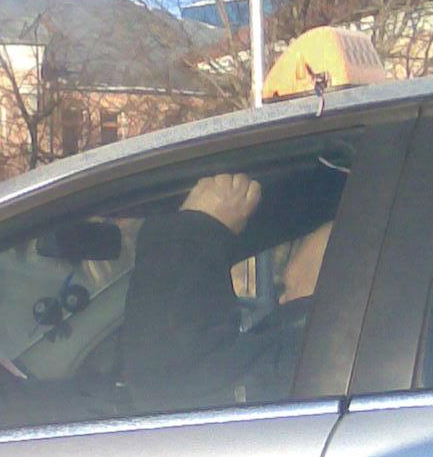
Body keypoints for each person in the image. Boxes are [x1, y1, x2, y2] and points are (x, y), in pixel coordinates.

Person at [121, 171, 333, 411]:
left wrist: (195, 231)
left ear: (334, 291)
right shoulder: (333, 366)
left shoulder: (313, 359)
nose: (281, 301)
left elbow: (169, 389)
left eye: (289, 288)